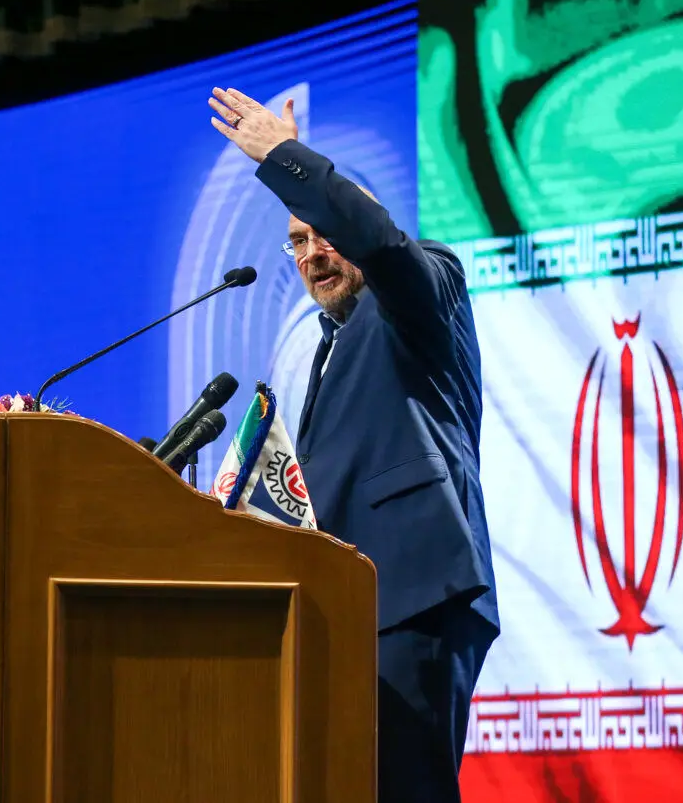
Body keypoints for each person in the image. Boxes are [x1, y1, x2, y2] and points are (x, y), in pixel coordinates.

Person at [208, 87, 500, 802]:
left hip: (411, 590)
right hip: (341, 606)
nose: (314, 254)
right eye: (298, 242)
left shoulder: (425, 289)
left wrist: (285, 157)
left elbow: (383, 245)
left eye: (325, 234)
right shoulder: (320, 348)